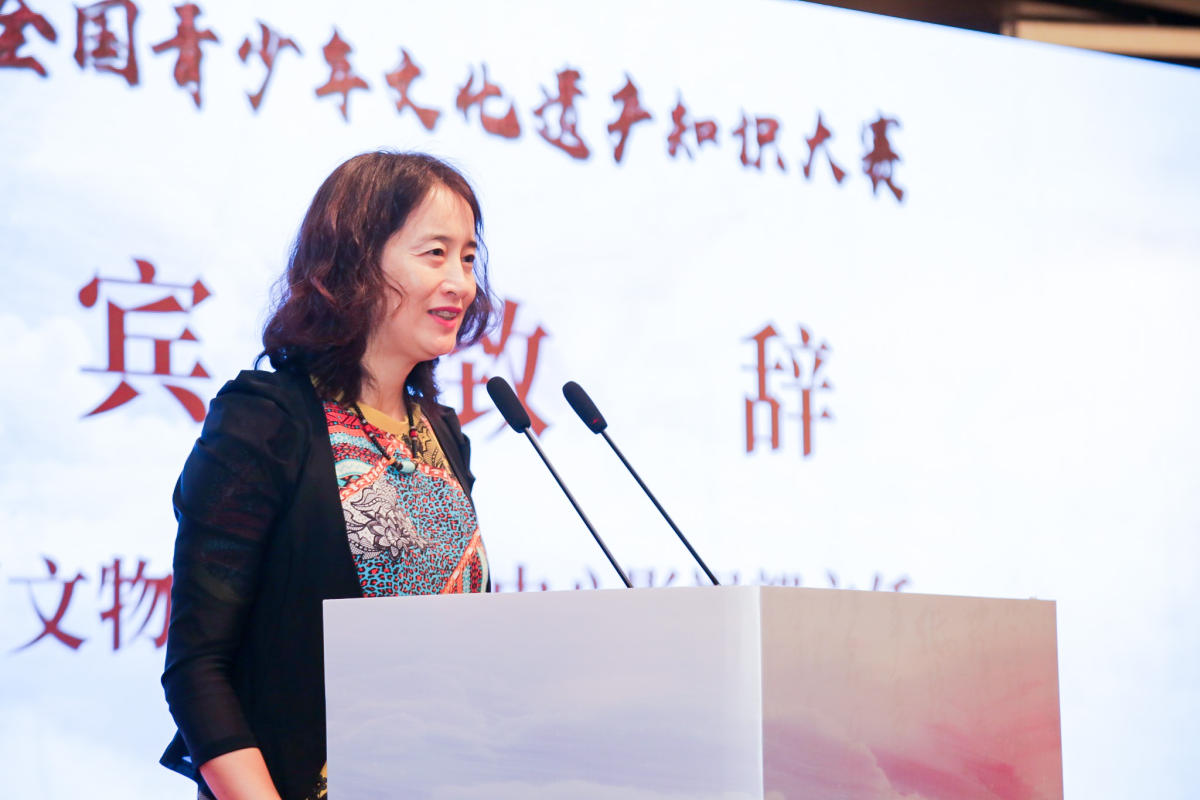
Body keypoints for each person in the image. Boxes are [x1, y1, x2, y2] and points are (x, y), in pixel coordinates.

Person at [159, 152, 495, 800]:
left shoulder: (441, 434)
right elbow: (199, 668)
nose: (460, 282)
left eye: (468, 258)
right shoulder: (266, 421)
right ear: (355, 263)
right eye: (435, 254)